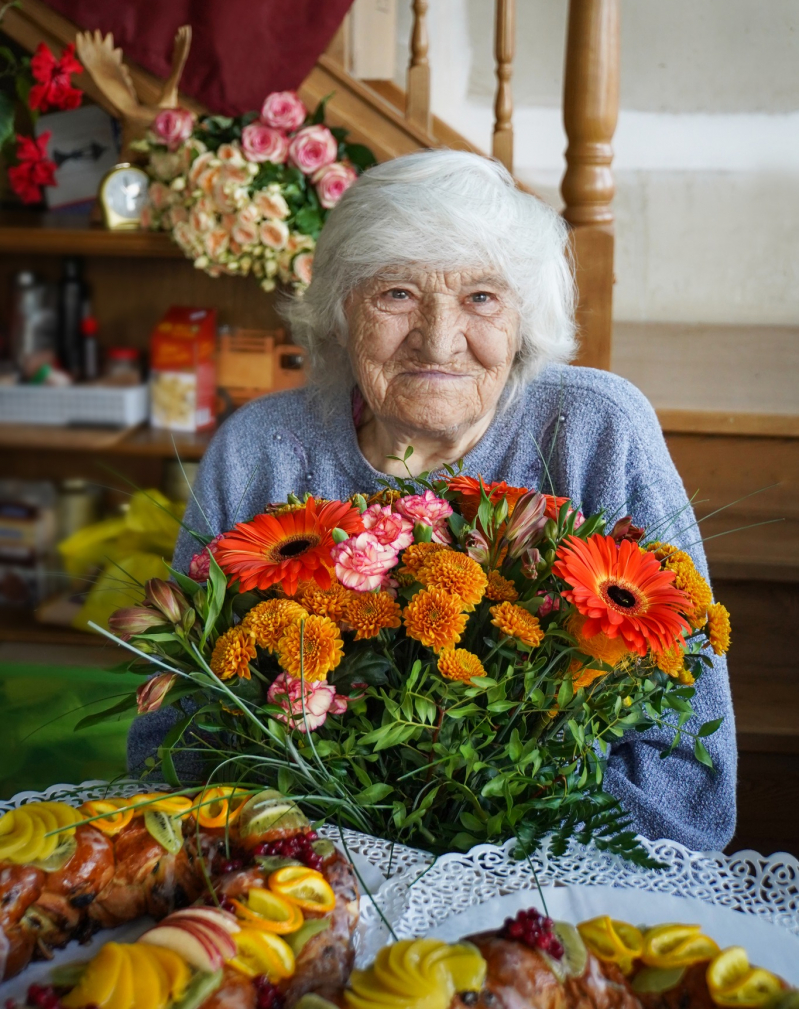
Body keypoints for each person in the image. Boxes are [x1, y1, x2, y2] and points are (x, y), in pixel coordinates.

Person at [129, 149, 736, 851]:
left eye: (481, 297)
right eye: (396, 295)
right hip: (306, 873)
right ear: (339, 312)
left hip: (553, 878)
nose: (438, 340)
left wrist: (495, 865)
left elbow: (687, 776)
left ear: (522, 320)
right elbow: (175, 738)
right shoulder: (259, 450)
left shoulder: (597, 432)